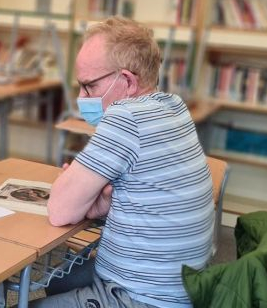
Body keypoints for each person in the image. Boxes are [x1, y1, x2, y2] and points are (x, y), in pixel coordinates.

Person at [38, 17, 215, 308]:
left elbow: (59, 211)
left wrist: (72, 189)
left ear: (128, 81)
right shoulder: (174, 106)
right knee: (55, 280)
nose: (81, 98)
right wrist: (103, 203)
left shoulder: (126, 118)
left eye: (89, 86)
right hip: (185, 289)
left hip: (140, 299)